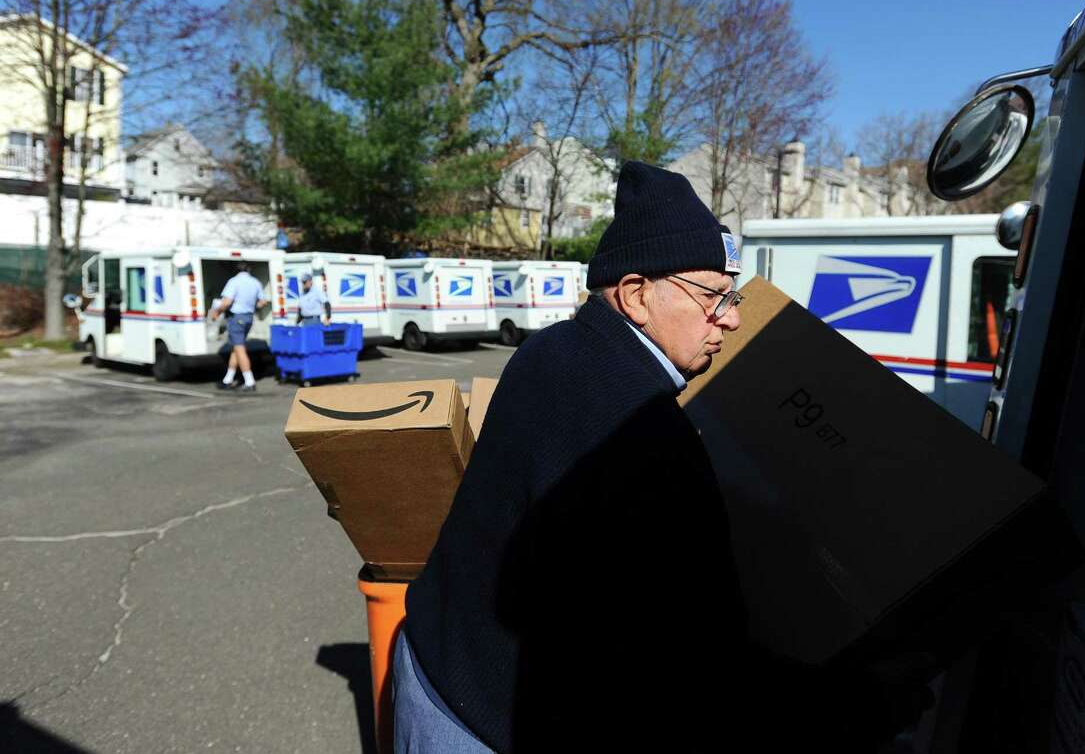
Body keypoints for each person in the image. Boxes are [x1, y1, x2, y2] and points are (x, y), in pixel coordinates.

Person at [396, 161, 934, 753]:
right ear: (635, 294)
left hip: (435, 665)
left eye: (733, 297)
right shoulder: (646, 435)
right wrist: (863, 702)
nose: (730, 318)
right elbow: (696, 667)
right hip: (491, 721)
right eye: (714, 297)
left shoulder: (548, 349)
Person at [209, 261, 268, 392]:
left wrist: (216, 312)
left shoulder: (233, 281)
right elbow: (263, 302)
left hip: (237, 318)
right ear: (249, 270)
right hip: (249, 317)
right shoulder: (255, 282)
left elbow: (226, 301)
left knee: (239, 349)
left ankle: (249, 381)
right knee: (236, 348)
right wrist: (251, 306)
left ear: (236, 270)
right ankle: (228, 380)